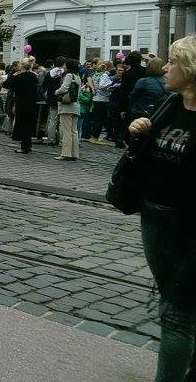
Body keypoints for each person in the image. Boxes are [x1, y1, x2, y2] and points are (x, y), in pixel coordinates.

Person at [127, 36, 196, 381]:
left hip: (189, 225)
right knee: (179, 301)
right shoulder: (171, 104)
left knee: (175, 311)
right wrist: (138, 129)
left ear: (191, 69)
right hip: (154, 217)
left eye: (173, 62)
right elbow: (148, 153)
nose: (165, 68)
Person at [4, 58, 40, 153]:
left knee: (22, 124)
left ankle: (24, 147)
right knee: (29, 124)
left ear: (22, 66)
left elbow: (6, 84)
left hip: (21, 103)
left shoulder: (19, 77)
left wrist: (14, 75)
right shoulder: (34, 76)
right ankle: (28, 145)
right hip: (32, 103)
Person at [53, 59, 81, 161]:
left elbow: (64, 88)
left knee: (66, 131)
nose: (64, 67)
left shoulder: (68, 75)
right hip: (76, 106)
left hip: (67, 106)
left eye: (65, 65)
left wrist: (56, 92)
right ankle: (74, 153)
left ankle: (66, 153)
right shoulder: (78, 76)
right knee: (74, 131)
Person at [42, 56, 65, 146]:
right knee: (62, 121)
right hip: (62, 99)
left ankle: (50, 138)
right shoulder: (65, 73)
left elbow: (44, 87)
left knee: (52, 119)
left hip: (51, 99)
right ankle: (62, 140)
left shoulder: (49, 73)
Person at [91, 61, 114, 143]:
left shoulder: (96, 74)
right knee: (100, 119)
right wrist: (111, 84)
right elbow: (101, 86)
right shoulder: (104, 75)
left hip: (96, 98)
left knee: (96, 119)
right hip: (102, 99)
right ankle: (95, 137)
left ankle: (94, 136)